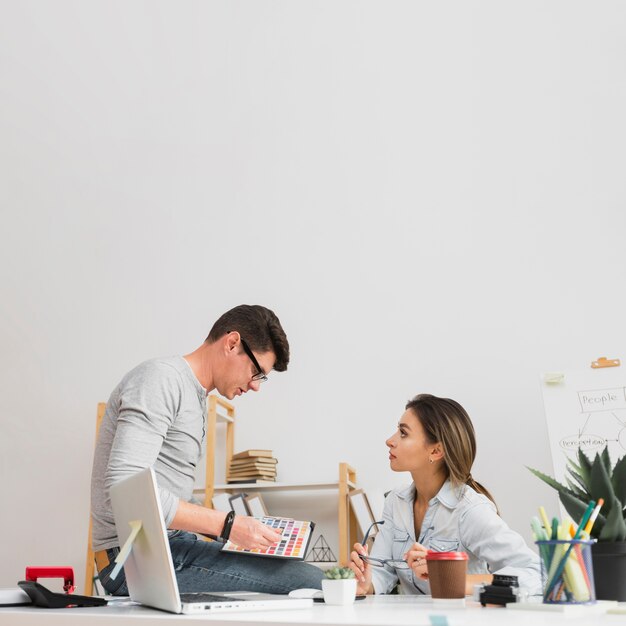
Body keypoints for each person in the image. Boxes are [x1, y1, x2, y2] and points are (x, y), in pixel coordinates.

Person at [91, 304, 323, 595]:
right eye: (256, 372)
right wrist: (228, 525)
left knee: (301, 574)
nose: (255, 387)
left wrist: (239, 533)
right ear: (232, 343)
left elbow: (170, 498)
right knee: (314, 583)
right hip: (131, 559)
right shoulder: (160, 380)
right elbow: (125, 490)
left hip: (166, 546)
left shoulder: (195, 397)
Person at [350, 394, 542, 596]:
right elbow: (382, 574)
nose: (389, 440)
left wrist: (449, 577)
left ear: (436, 451)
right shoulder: (395, 502)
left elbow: (536, 573)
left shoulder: (469, 509)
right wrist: (367, 584)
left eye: (403, 433)